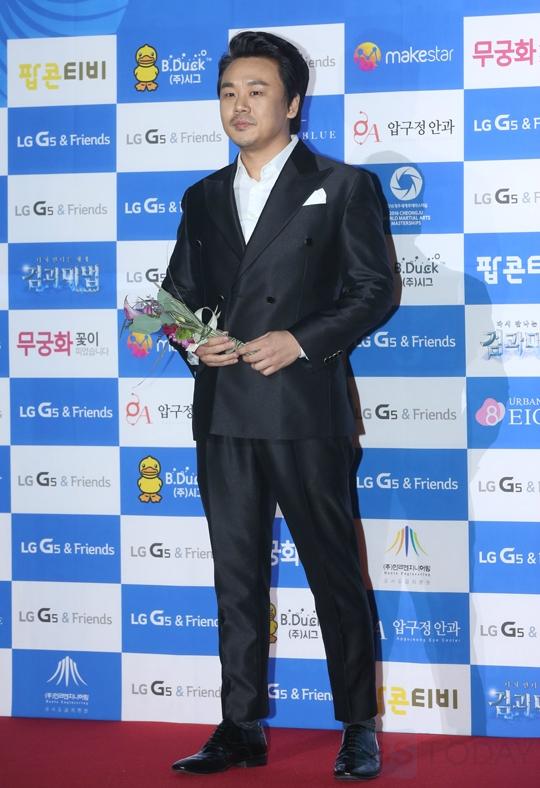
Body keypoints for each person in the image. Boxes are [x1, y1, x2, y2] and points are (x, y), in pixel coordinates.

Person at [162, 30, 393, 780]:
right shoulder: (202, 196)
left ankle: (358, 724)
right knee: (236, 578)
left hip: (304, 411)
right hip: (223, 412)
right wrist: (195, 342)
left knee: (333, 572)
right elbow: (174, 301)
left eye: (257, 91)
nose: (240, 105)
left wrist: (299, 340)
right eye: (229, 92)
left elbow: (374, 291)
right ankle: (240, 725)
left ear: (292, 103)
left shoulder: (343, 185)